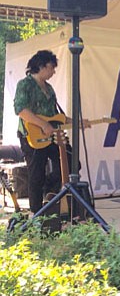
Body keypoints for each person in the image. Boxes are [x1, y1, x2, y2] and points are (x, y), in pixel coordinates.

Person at [14, 50, 69, 213]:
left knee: (71, 163)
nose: (53, 71)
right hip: (30, 135)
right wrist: (43, 124)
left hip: (52, 135)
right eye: (51, 67)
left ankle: (49, 190)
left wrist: (79, 122)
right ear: (41, 66)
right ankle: (36, 212)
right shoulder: (25, 84)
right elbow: (21, 110)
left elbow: (55, 116)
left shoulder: (50, 89)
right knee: (36, 172)